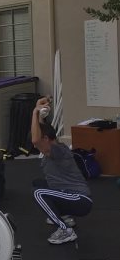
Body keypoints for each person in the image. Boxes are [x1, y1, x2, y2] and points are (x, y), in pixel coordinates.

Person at [31, 97, 92, 244]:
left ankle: (65, 230)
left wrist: (34, 112)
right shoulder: (54, 146)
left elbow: (36, 140)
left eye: (40, 140)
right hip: (70, 195)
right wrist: (39, 112)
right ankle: (65, 216)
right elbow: (41, 134)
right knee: (38, 183)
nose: (36, 146)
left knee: (38, 193)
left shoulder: (57, 150)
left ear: (46, 139)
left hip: (79, 200)